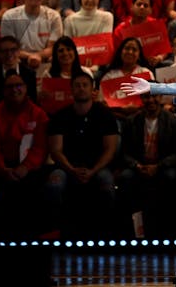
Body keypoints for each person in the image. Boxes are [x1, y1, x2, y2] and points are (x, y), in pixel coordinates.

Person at [46, 72, 118, 236]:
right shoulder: (60, 116)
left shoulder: (105, 115)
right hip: (67, 167)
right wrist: (72, 169)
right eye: (77, 85)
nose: (81, 88)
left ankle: (107, 231)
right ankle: (55, 229)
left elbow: (110, 149)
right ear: (71, 90)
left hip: (97, 166)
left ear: (92, 89)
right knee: (54, 183)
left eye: (85, 84)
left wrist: (93, 170)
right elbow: (55, 151)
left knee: (107, 182)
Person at [0, 69, 49, 237]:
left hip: (30, 169)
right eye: (9, 86)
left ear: (26, 88)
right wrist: (3, 169)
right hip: (3, 169)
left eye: (18, 85)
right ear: (3, 91)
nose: (14, 90)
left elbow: (40, 147)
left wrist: (25, 167)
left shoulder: (39, 114)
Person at [119, 90, 176, 238]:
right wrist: (136, 165)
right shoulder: (131, 121)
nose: (151, 100)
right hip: (138, 166)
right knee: (125, 177)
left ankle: (168, 230)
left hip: (163, 166)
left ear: (160, 97)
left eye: (154, 96)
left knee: (172, 177)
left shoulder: (172, 120)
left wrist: (159, 166)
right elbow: (124, 153)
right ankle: (129, 231)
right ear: (141, 98)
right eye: (146, 96)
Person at [0, 0, 63, 71]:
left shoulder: (54, 16)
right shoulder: (9, 16)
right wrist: (31, 57)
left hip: (45, 63)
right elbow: (9, 49)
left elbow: (53, 47)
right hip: (16, 63)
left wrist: (37, 56)